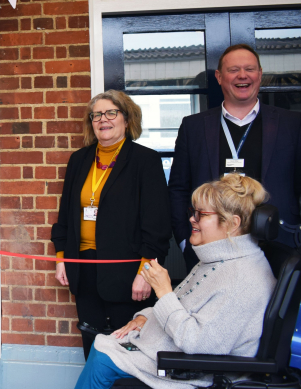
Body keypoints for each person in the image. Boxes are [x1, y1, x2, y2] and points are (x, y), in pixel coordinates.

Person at [75, 174, 277, 389]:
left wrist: (163, 291)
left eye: (202, 214)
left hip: (196, 370)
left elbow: (196, 342)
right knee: (103, 347)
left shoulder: (243, 278)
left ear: (232, 224)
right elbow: (184, 307)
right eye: (193, 213)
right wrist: (145, 317)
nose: (192, 219)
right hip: (172, 351)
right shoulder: (216, 259)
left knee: (103, 360)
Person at [51, 90, 171, 359]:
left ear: (126, 120)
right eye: (96, 115)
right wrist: (62, 259)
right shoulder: (79, 160)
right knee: (92, 344)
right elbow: (65, 216)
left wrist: (145, 272)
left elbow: (157, 225)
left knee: (128, 350)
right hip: (83, 269)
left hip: (128, 274)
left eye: (111, 113)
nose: (102, 119)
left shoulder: (145, 161)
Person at [169, 44, 301, 270]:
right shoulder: (193, 127)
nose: (242, 75)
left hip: (279, 246)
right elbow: (178, 189)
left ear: (259, 74)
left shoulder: (292, 124)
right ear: (219, 77)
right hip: (211, 248)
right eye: (234, 70)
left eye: (249, 69)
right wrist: (185, 242)